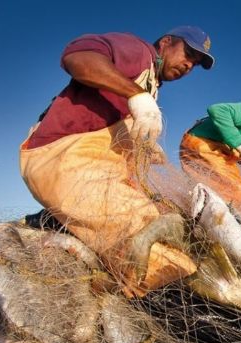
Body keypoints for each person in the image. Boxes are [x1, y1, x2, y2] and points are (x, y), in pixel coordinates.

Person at [19, 26, 215, 298]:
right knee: (160, 254)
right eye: (189, 53)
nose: (189, 65)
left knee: (169, 227)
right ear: (167, 42)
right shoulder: (139, 52)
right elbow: (77, 57)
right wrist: (136, 94)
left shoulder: (151, 84)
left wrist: (143, 144)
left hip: (95, 166)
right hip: (64, 158)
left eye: (195, 63)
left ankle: (56, 223)